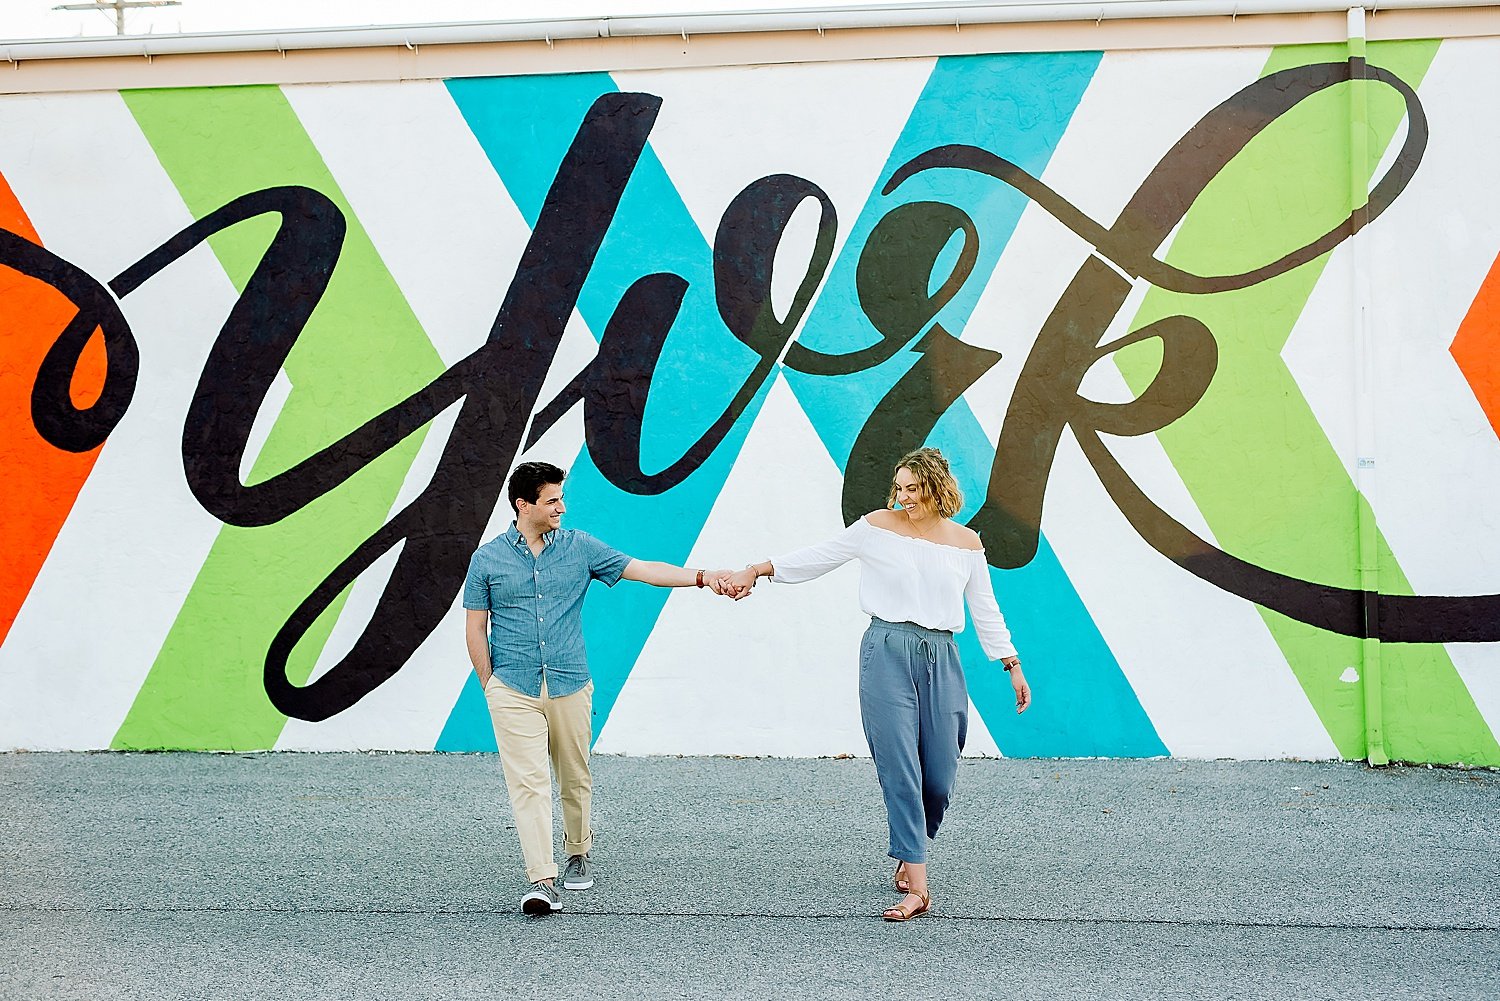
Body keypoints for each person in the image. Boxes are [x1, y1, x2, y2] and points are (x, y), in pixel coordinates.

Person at [724, 447, 1030, 921]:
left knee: (941, 770)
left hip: (942, 654)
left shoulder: (966, 543)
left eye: (913, 488)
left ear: (935, 486)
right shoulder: (876, 527)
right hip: (886, 648)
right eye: (900, 488)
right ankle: (918, 887)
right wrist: (758, 569)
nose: (904, 497)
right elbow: (818, 557)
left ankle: (912, 851)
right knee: (900, 765)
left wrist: (1011, 664)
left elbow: (985, 608)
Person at [464, 461, 739, 916]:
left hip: (570, 682)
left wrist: (704, 577)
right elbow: (476, 627)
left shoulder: (580, 548)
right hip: (512, 687)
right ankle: (542, 879)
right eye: (552, 500)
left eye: (561, 498)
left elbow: (645, 570)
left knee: (574, 775)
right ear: (523, 504)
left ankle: (578, 851)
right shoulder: (487, 559)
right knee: (528, 785)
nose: (561, 508)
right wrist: (489, 683)